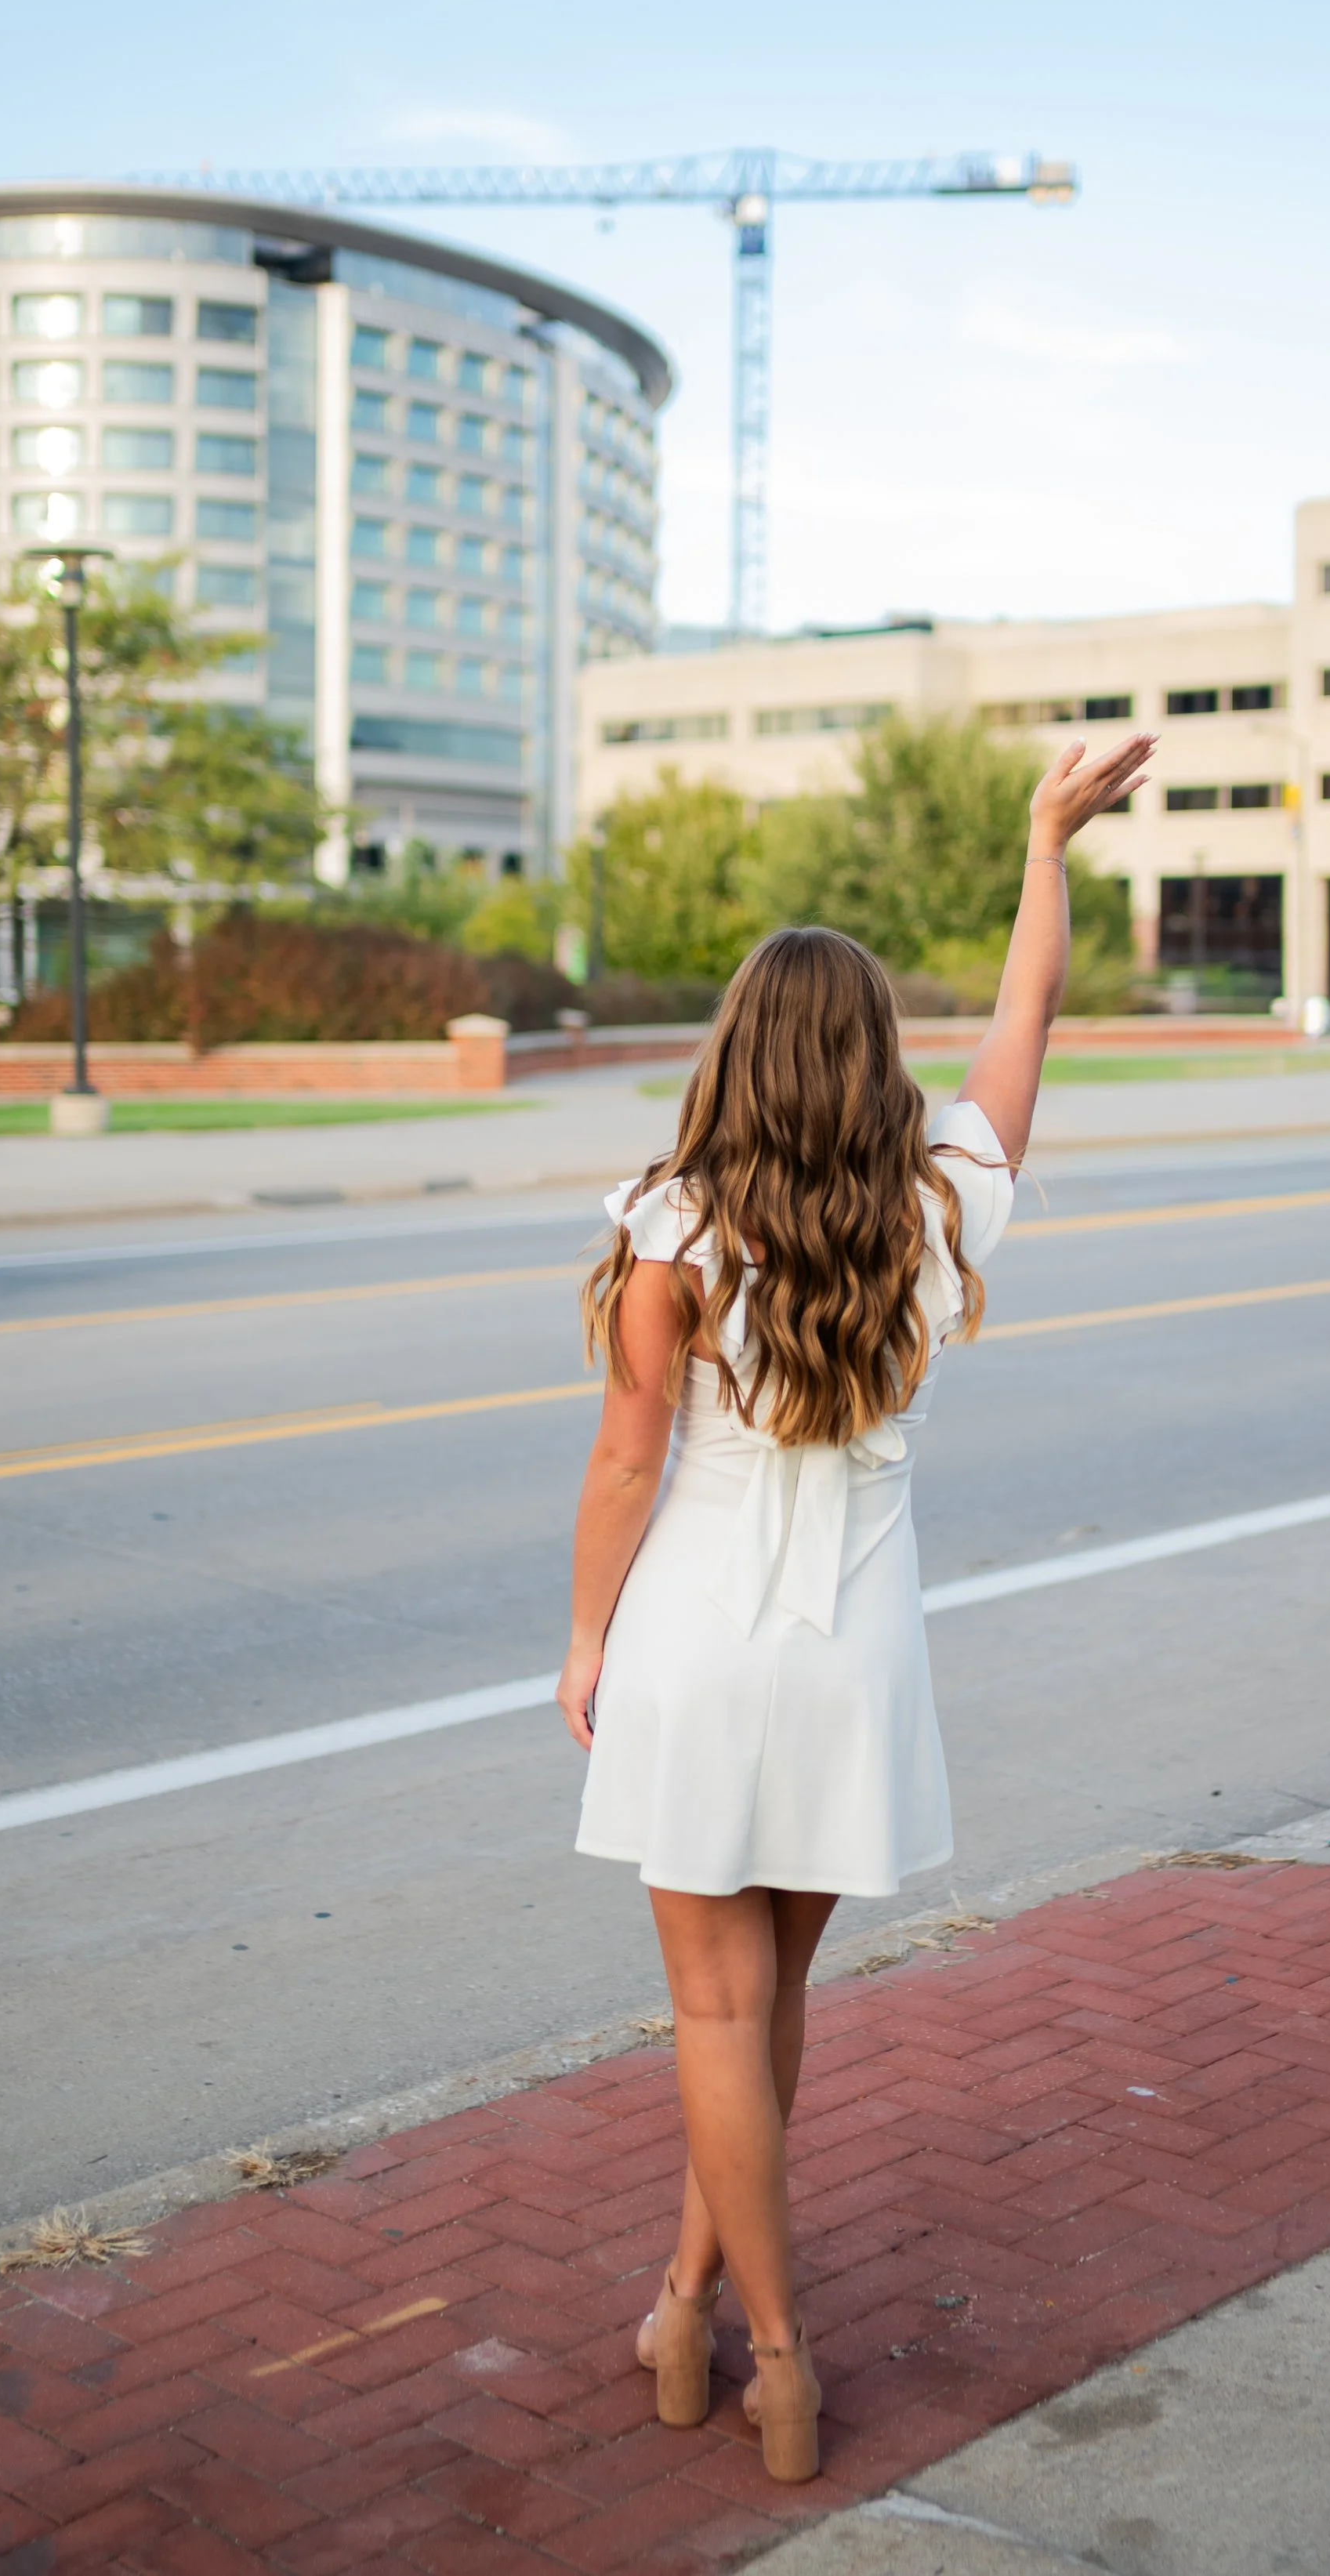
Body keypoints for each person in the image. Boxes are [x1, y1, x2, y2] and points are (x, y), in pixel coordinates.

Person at [556, 728, 1154, 2483]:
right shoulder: (935, 1197)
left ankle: (773, 2355)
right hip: (853, 1659)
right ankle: (688, 2314)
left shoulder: (673, 1223)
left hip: (694, 1645)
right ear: (870, 1059)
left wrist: (587, 1641)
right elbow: (1025, 1024)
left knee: (713, 2015)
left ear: (735, 1052)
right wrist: (1043, 849)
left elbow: (620, 1467)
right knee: (771, 2002)